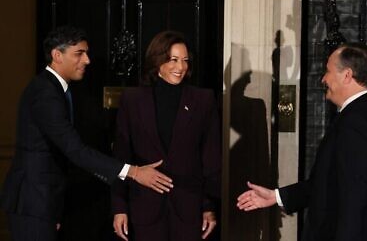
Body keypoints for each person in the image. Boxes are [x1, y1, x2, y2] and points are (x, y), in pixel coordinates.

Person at [0, 26, 173, 241]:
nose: (87, 60)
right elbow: (74, 149)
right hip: (33, 201)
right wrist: (135, 172)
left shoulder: (56, 89)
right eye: (79, 54)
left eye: (87, 53)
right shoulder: (45, 92)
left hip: (44, 202)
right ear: (57, 55)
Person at [237, 43, 367, 241]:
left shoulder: (356, 122)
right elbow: (327, 183)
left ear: (347, 75)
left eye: (328, 71)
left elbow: (354, 199)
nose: (323, 79)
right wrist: (276, 197)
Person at [111, 30, 221, 241]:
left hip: (188, 209)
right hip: (143, 207)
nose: (180, 67)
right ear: (157, 60)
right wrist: (119, 207)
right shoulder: (132, 100)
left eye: (185, 60)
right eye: (173, 60)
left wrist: (209, 206)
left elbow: (211, 159)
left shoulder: (203, 100)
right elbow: (121, 156)